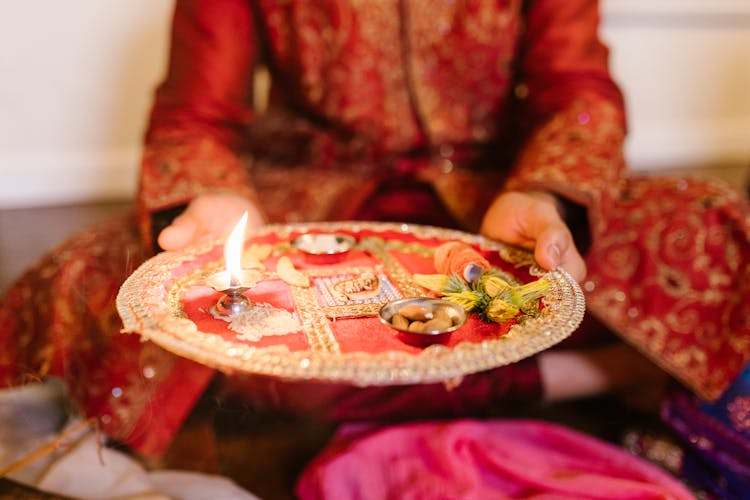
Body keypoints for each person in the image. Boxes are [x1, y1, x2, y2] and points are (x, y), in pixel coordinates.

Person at [1, 0, 748, 497]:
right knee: (109, 285)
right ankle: (600, 372)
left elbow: (579, 94)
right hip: (318, 205)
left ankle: (427, 385)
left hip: (496, 204)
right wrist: (215, 200)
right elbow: (195, 117)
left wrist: (547, 197)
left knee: (708, 227)